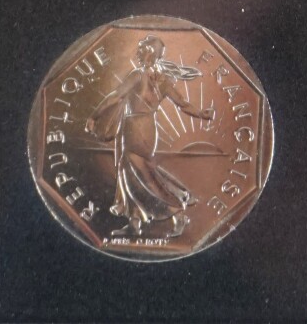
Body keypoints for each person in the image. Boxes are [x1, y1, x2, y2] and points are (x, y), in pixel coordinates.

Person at [87, 36, 214, 238]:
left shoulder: (137, 75)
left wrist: (95, 115)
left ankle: (177, 212)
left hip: (134, 128)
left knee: (141, 175)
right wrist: (202, 114)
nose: (138, 53)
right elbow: (183, 104)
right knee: (133, 174)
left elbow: (116, 96)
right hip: (148, 129)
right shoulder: (162, 80)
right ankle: (135, 223)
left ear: (150, 53)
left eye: (141, 49)